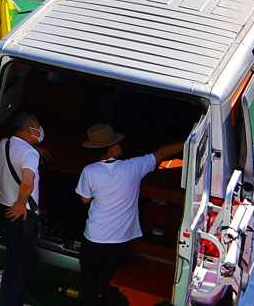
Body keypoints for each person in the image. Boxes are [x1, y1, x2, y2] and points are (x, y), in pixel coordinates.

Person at [74, 125, 182, 306]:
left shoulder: (89, 171)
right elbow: (162, 152)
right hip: (120, 241)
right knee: (112, 284)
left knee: (88, 282)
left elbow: (85, 199)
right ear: (113, 149)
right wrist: (189, 142)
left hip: (93, 238)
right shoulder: (134, 167)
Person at [0, 111, 44, 306]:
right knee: (18, 268)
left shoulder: (4, 143)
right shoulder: (29, 154)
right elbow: (27, 181)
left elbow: (17, 156)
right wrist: (21, 203)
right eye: (37, 127)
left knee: (19, 259)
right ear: (27, 129)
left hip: (2, 211)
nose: (40, 131)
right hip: (20, 217)